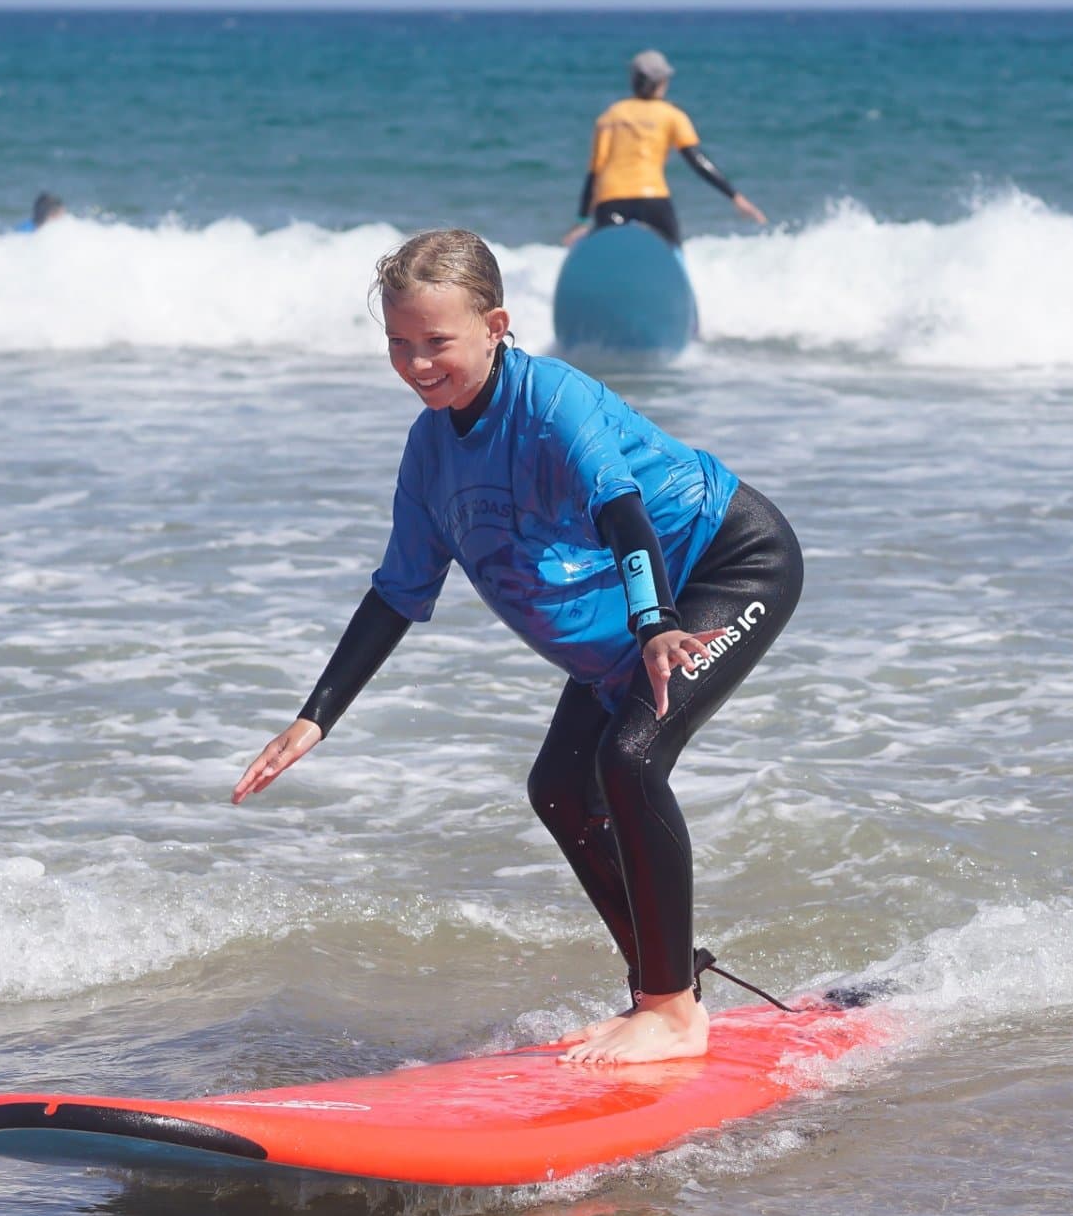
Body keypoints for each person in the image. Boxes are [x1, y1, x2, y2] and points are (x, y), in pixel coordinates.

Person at [232, 229, 805, 1065]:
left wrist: (653, 625)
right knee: (562, 791)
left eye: (438, 343)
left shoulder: (552, 404)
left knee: (631, 760)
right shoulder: (431, 453)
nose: (417, 364)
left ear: (496, 324)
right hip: (632, 606)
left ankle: (673, 1012)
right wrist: (315, 717)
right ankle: (661, 989)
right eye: (399, 344)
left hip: (726, 564)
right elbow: (397, 591)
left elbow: (623, 514)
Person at [562, 50, 768, 249]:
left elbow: (596, 171)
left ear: (633, 80)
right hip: (653, 201)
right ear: (662, 83)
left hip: (610, 199)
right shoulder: (672, 115)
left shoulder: (610, 116)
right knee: (671, 252)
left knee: (610, 251)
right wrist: (735, 197)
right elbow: (697, 161)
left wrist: (582, 219)